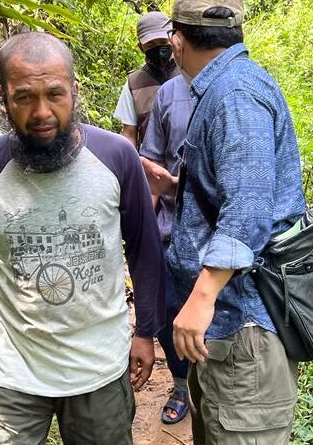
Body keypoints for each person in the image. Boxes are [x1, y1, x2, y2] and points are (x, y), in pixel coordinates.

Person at [0, 32, 164, 445]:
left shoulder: (117, 157)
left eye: (55, 94)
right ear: (3, 98)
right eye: (24, 97)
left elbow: (144, 249)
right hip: (10, 373)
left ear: (74, 92)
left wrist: (145, 332)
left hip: (99, 368)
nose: (41, 112)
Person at [159, 0, 307, 444]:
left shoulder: (235, 96)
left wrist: (200, 299)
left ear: (176, 42)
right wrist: (182, 186)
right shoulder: (227, 86)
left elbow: (248, 209)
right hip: (225, 333)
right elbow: (239, 183)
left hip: (242, 329)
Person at [138, 74, 194, 425]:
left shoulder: (239, 91)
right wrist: (143, 227)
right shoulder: (169, 94)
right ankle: (181, 384)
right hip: (169, 228)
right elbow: (152, 164)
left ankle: (208, 385)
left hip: (217, 235)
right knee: (167, 313)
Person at [113, 11, 180, 148]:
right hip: (150, 166)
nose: (158, 49)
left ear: (173, 38)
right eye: (150, 45)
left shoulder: (189, 72)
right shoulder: (134, 83)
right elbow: (129, 134)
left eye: (162, 42)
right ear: (141, 47)